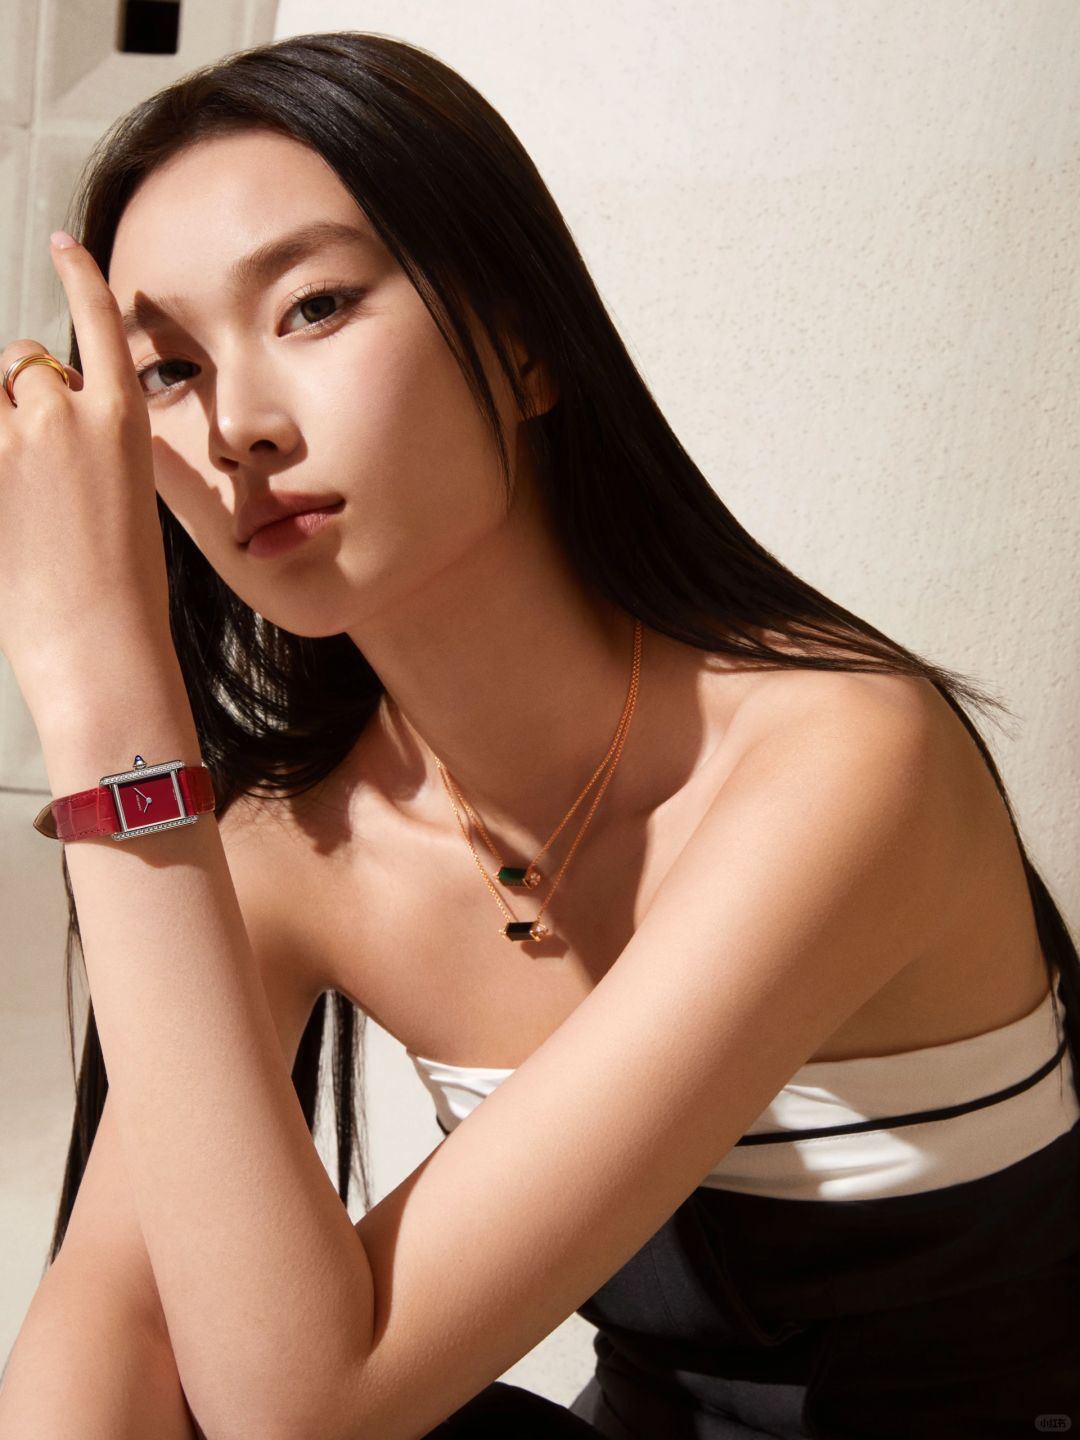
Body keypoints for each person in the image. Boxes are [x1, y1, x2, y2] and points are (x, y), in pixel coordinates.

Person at [1, 29, 1077, 1440]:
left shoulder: (840, 761)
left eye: (314, 307)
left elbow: (306, 1406)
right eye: (167, 373)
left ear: (522, 346)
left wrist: (100, 686)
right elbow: (119, 1321)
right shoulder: (297, 846)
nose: (236, 428)